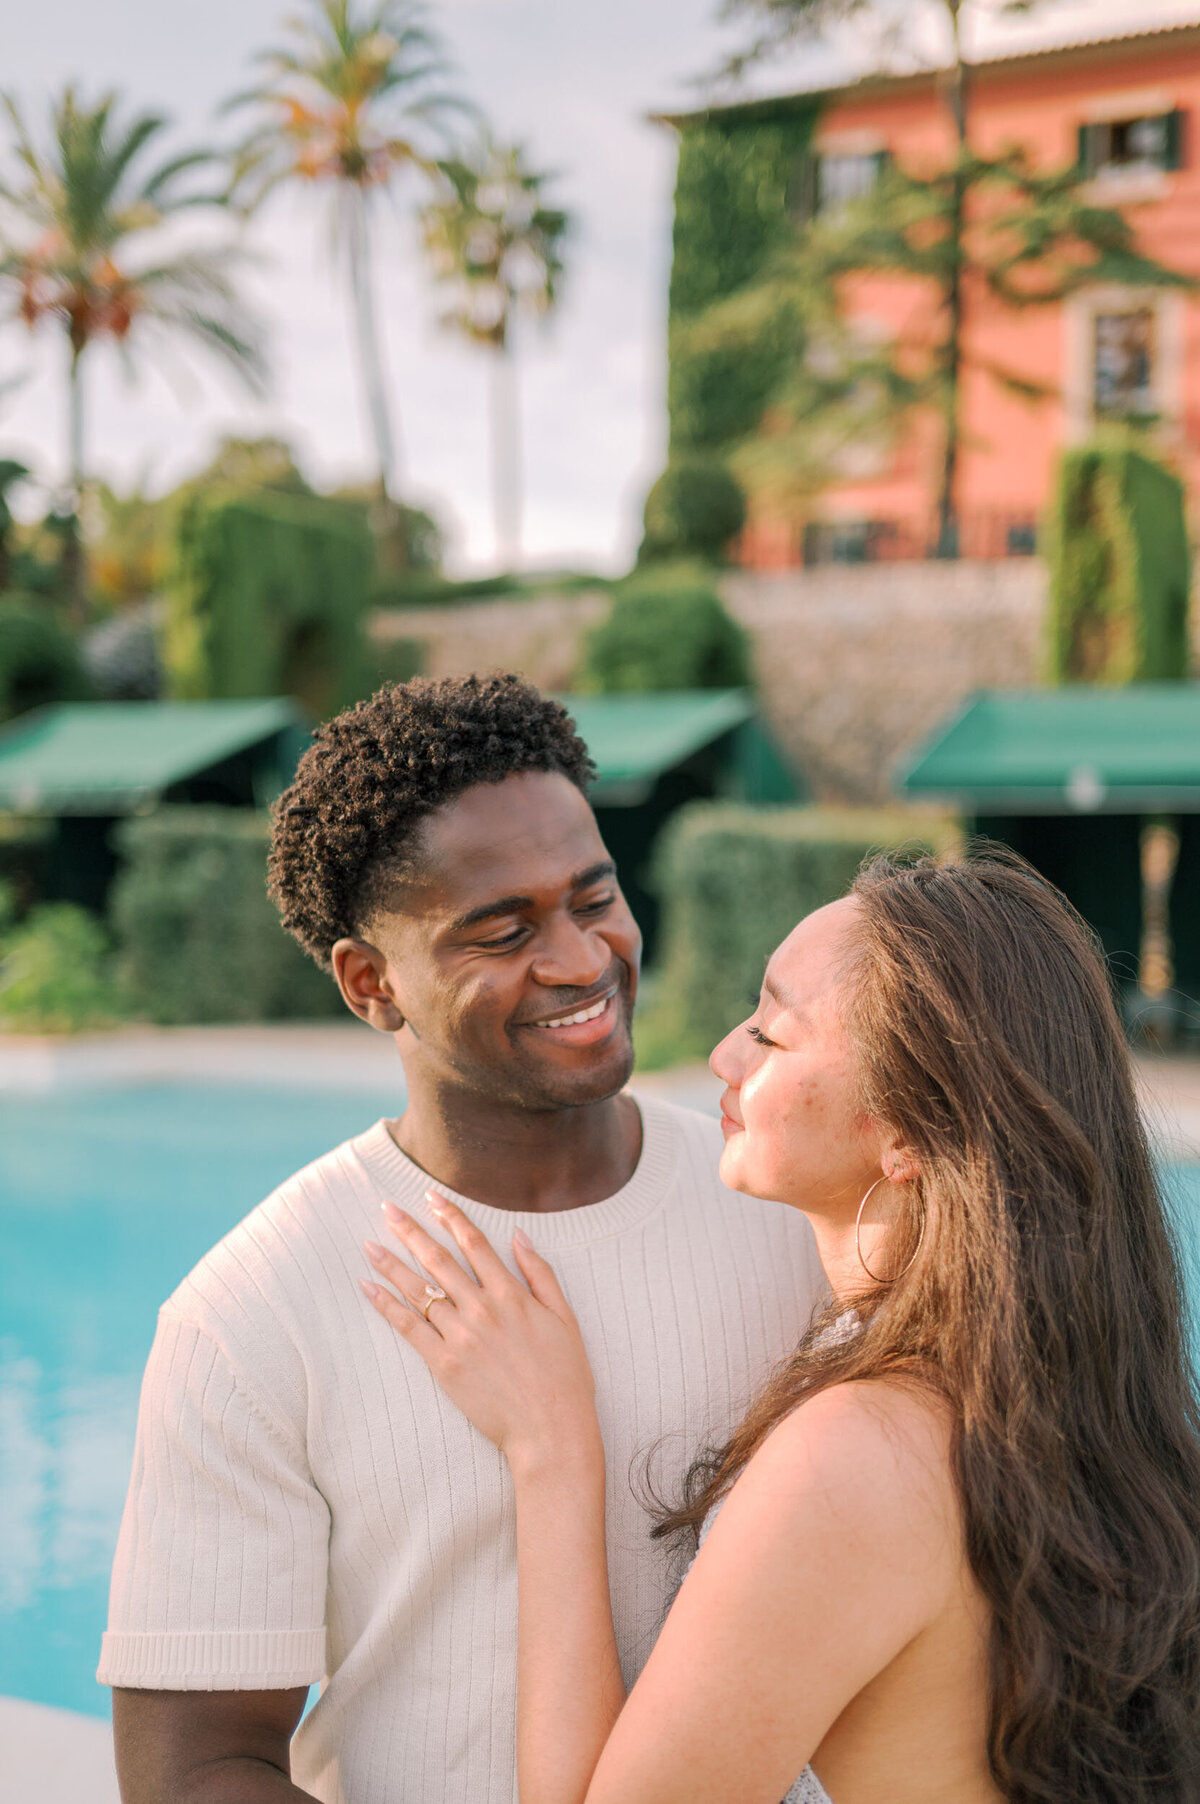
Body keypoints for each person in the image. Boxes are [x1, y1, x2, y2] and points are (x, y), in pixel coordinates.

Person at [98, 674, 825, 1804]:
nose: (584, 960)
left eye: (596, 896)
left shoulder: (783, 1213)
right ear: (371, 983)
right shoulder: (252, 1311)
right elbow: (194, 1767)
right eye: (503, 930)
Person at [364, 849, 1200, 1804]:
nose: (725, 1054)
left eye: (770, 1034)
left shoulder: (861, 1456)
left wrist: (552, 1448)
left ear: (909, 1133)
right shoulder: (1074, 1402)